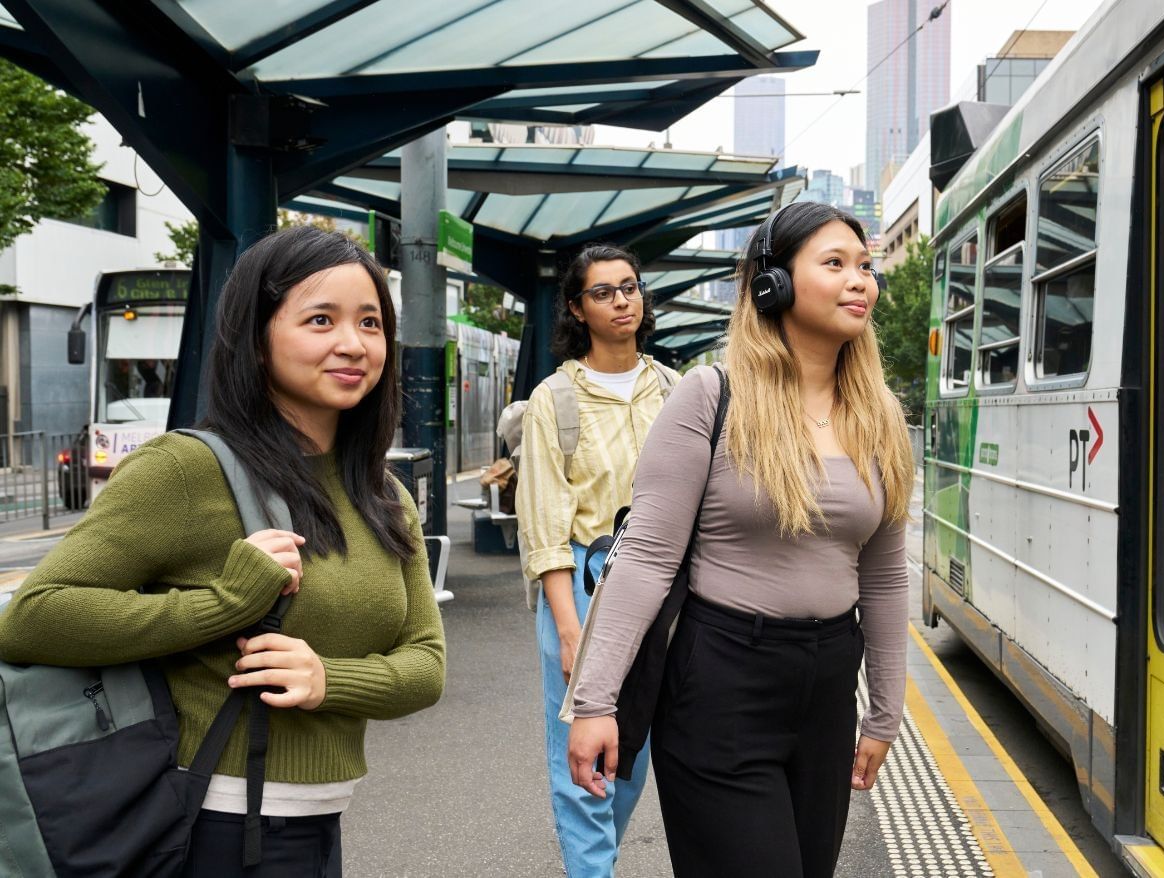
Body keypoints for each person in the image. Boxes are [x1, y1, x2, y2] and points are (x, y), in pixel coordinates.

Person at [0, 225, 446, 877]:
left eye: (371, 323)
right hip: (213, 823)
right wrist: (224, 604)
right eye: (321, 319)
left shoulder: (383, 495)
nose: (353, 344)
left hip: (319, 822)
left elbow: (426, 664)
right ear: (257, 337)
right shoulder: (186, 470)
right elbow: (33, 617)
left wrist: (327, 679)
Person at [567, 201, 913, 877]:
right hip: (720, 680)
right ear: (772, 285)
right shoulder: (709, 396)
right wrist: (593, 703)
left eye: (866, 267)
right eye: (835, 264)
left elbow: (886, 575)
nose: (860, 282)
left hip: (826, 687)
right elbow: (645, 556)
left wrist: (884, 715)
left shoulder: (882, 417)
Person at [517, 243, 675, 877]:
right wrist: (567, 624)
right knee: (582, 755)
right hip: (586, 584)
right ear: (577, 309)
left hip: (667, 589)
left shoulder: (676, 389)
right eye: (604, 292)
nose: (622, 301)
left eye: (630, 287)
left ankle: (597, 863)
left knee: (629, 751)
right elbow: (546, 528)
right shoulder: (554, 400)